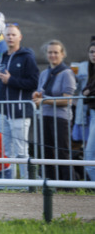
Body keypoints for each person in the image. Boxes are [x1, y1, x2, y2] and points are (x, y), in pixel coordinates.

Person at [0, 24, 39, 180]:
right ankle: (10, 183)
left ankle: (28, 184)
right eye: (7, 35)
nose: (10, 37)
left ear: (20, 37)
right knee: (6, 150)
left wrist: (11, 80)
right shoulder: (3, 56)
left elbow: (34, 82)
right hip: (4, 113)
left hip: (20, 112)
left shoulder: (27, 56)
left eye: (13, 34)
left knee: (21, 150)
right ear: (4, 37)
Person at [32, 40, 77, 181]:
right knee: (46, 152)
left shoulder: (67, 73)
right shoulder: (44, 73)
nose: (53, 55)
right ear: (46, 54)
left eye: (56, 52)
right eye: (50, 52)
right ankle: (51, 185)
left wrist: (44, 100)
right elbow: (41, 94)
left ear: (62, 54)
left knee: (62, 153)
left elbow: (68, 100)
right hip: (44, 116)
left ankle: (69, 186)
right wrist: (37, 96)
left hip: (61, 118)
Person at [80, 40, 95, 182]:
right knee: (89, 158)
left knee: (89, 158)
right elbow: (84, 93)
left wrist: (88, 92)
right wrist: (88, 91)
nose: (93, 54)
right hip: (92, 115)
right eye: (91, 51)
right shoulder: (91, 72)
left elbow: (86, 93)